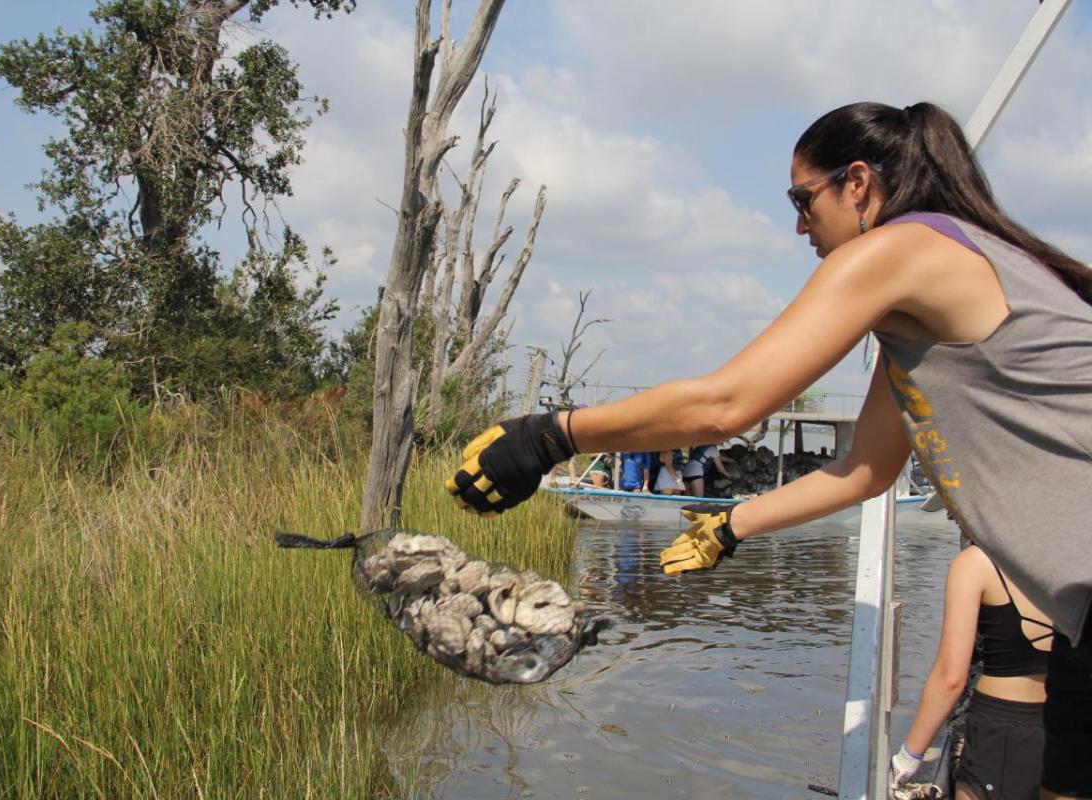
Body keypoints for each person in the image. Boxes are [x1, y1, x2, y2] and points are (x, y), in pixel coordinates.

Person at [445, 101, 1092, 797]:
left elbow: (725, 404)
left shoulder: (903, 248)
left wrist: (550, 435)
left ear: (859, 183)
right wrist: (733, 524)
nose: (796, 224)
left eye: (801, 198)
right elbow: (866, 470)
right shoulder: (924, 303)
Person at [891, 542, 1053, 799]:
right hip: (1069, 720)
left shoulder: (974, 564)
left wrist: (909, 756)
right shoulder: (1072, 554)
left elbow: (951, 678)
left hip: (1000, 732)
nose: (950, 515)